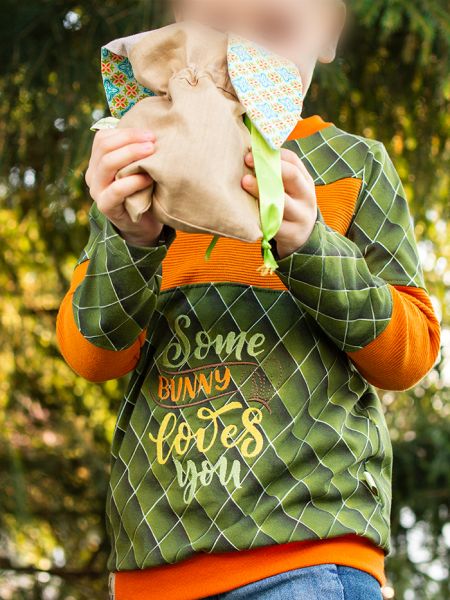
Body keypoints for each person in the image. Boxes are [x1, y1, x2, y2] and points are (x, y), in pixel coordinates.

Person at [56, 0, 441, 598]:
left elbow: (409, 354)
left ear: (328, 32)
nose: (239, 60)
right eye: (216, 31)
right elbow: (91, 356)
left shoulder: (353, 166)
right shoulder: (148, 173)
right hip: (150, 571)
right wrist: (129, 238)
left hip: (309, 554)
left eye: (272, 30)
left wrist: (310, 245)